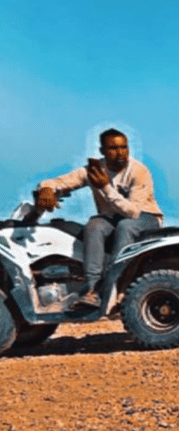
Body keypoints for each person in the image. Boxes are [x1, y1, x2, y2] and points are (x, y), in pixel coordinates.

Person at [35, 128, 163, 307]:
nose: (120, 153)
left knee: (126, 226)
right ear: (102, 151)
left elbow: (133, 212)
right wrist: (46, 189)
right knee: (94, 226)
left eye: (124, 147)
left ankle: (115, 283)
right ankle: (93, 289)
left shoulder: (138, 171)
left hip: (146, 217)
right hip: (113, 218)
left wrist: (105, 187)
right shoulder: (94, 170)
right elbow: (62, 181)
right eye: (113, 148)